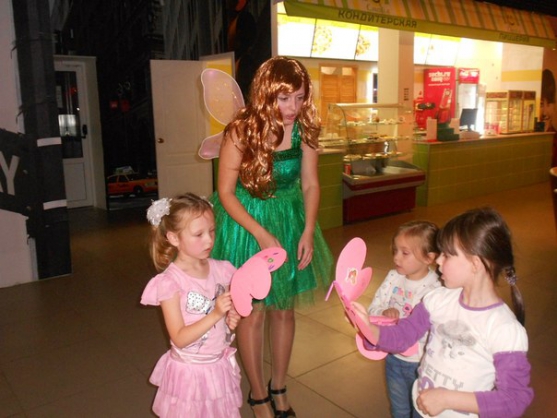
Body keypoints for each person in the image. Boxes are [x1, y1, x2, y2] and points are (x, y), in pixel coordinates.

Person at [211, 56, 333, 418]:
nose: (293, 107)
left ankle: (279, 386)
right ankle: (258, 394)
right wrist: (261, 233)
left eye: (299, 97)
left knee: (284, 309)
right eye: (283, 98)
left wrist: (308, 229)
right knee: (252, 312)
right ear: (266, 95)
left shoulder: (304, 129)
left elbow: (310, 184)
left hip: (291, 221)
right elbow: (225, 193)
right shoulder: (240, 131)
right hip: (248, 224)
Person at [353, 207, 534, 418]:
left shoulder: (504, 329)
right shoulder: (437, 299)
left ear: (475, 264)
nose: (438, 260)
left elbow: (514, 400)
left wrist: (446, 399)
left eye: (447, 255)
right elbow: (403, 335)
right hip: (421, 407)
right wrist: (369, 330)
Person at [140, 193, 242, 418]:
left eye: (212, 231)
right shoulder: (170, 283)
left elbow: (226, 313)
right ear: (174, 238)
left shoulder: (221, 270)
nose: (209, 240)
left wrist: (231, 315)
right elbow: (179, 337)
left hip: (218, 366)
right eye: (198, 234)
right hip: (190, 374)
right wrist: (216, 313)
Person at [367, 220, 441, 418]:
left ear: (429, 257)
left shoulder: (436, 289)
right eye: (395, 250)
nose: (396, 257)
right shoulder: (393, 277)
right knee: (399, 409)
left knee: (421, 411)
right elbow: (373, 308)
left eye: (405, 253)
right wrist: (384, 312)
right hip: (393, 359)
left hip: (423, 364)